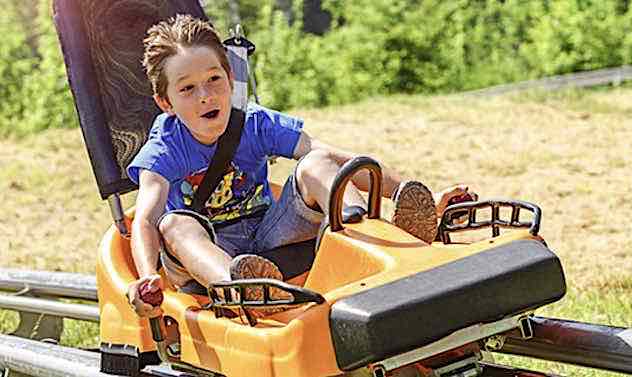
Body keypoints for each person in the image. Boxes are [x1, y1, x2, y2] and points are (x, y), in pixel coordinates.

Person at [126, 14, 475, 319]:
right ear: (165, 103)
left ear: (230, 79)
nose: (205, 95)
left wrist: (405, 192)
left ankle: (381, 240)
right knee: (173, 222)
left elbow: (335, 158)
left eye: (214, 79)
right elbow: (145, 219)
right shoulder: (165, 148)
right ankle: (242, 290)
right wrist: (147, 276)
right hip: (204, 258)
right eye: (187, 89)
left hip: (266, 236)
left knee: (316, 163)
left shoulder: (252, 122)